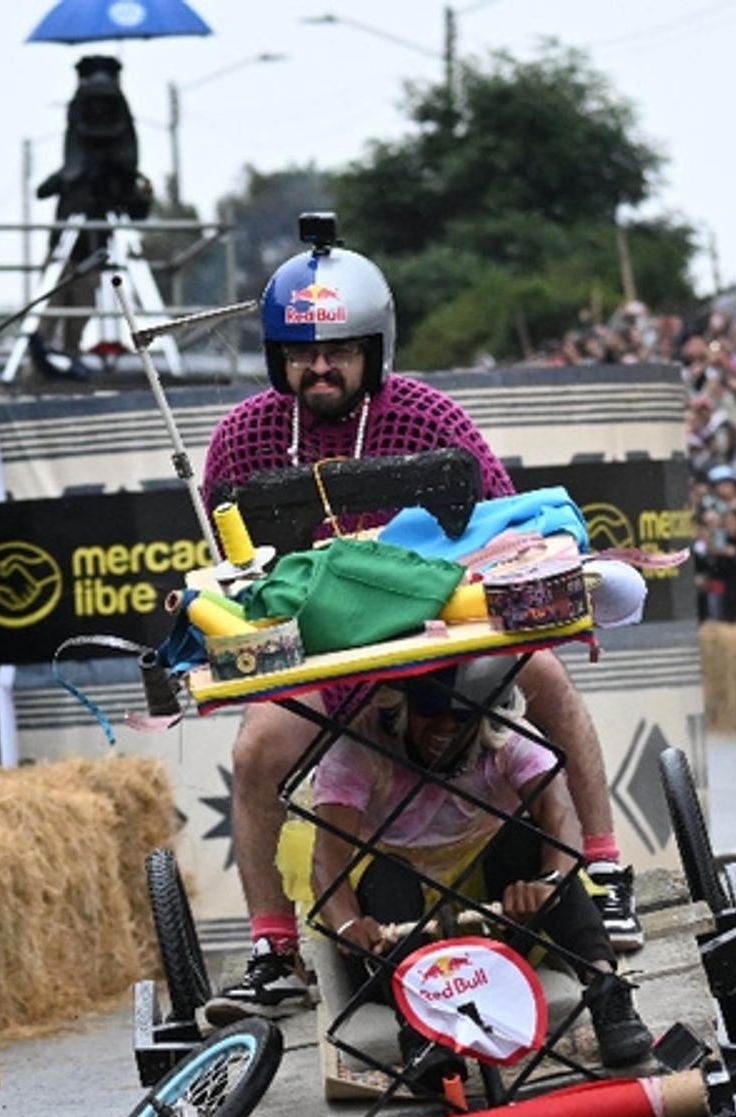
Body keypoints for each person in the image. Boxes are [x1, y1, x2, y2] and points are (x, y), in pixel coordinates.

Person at [200, 218, 642, 1026]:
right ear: (278, 357)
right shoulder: (241, 437)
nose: (320, 366)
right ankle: (274, 951)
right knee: (257, 747)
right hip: (324, 660)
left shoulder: (430, 414)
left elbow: (507, 529)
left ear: (374, 348)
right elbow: (237, 577)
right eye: (302, 353)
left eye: (339, 350)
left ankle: (606, 874)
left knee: (542, 672)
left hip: (432, 641)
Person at [300, 659, 653, 1067]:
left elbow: (561, 818)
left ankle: (607, 993)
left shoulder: (508, 741)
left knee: (527, 842)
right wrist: (347, 926)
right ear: (401, 705)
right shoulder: (358, 751)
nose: (446, 728)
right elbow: (327, 862)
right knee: (387, 873)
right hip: (400, 930)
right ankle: (422, 1033)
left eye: (462, 716)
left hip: (491, 922)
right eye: (431, 711)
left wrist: (548, 884)